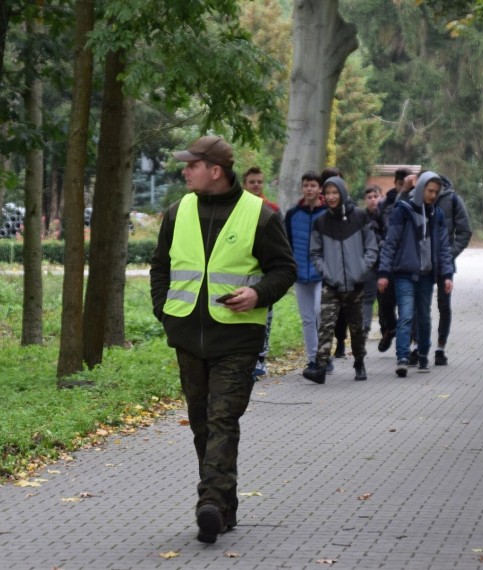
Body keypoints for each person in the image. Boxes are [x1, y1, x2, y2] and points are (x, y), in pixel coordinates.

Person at [150, 136, 296, 543]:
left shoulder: (260, 215)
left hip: (236, 339)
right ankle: (224, 509)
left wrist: (257, 293)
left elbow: (284, 269)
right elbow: (160, 267)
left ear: (214, 170)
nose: (184, 171)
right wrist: (164, 312)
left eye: (191, 165)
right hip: (188, 338)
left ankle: (209, 503)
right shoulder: (178, 212)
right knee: (201, 423)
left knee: (222, 420)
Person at [377, 171, 454, 378]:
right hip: (405, 273)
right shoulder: (403, 210)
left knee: (424, 318)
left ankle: (422, 355)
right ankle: (402, 357)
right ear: (420, 189)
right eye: (430, 191)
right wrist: (384, 272)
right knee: (406, 316)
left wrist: (447, 274)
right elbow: (391, 243)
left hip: (428, 275)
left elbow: (444, 248)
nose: (433, 195)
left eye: (436, 192)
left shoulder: (437, 215)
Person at [302, 176, 377, 384]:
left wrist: (362, 268)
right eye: (328, 193)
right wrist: (326, 272)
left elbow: (371, 246)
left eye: (335, 192)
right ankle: (320, 367)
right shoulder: (321, 221)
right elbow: (315, 252)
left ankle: (360, 362)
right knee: (325, 324)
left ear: (342, 193)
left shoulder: (360, 217)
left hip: (355, 283)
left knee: (357, 327)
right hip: (331, 283)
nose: (332, 197)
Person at [284, 171, 332, 374]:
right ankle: (313, 359)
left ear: (320, 188)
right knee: (306, 318)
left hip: (322, 273)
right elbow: (287, 243)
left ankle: (324, 355)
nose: (309, 189)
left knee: (319, 312)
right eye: (306, 185)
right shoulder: (293, 214)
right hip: (300, 272)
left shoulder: (329, 213)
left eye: (313, 185)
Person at [431, 174, 472, 365]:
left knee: (444, 306)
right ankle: (415, 346)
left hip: (445, 263)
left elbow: (465, 231)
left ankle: (440, 348)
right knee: (416, 305)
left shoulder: (454, 200)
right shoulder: (417, 197)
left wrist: (449, 253)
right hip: (420, 262)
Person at [242, 166, 279, 377]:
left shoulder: (272, 209)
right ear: (244, 185)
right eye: (252, 182)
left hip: (265, 273)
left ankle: (261, 358)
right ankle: (245, 358)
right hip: (242, 270)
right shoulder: (236, 210)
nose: (256, 185)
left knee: (265, 316)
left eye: (259, 182)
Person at [376, 168, 414, 353]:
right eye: (400, 184)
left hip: (407, 259)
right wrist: (381, 243)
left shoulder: (417, 202)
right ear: (396, 183)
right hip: (387, 257)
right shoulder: (384, 204)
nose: (403, 187)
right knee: (385, 301)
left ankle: (407, 341)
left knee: (406, 303)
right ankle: (389, 328)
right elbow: (374, 227)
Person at [320, 167, 349, 358]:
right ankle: (322, 357)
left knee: (343, 312)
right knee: (326, 313)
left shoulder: (350, 209)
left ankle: (340, 341)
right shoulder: (320, 213)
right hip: (325, 270)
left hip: (346, 270)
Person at [362, 185, 385, 334]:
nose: (373, 200)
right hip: (368, 264)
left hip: (384, 263)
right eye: (369, 197)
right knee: (368, 297)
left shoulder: (386, 216)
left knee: (384, 301)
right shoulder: (361, 217)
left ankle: (386, 329)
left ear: (381, 197)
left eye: (375, 197)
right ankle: (365, 327)